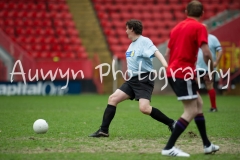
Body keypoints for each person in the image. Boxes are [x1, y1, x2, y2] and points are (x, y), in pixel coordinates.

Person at [89, 19, 176, 138]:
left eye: (126, 28)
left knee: (144, 108)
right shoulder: (132, 44)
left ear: (132, 29)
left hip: (144, 78)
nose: (125, 31)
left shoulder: (144, 41)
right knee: (113, 98)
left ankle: (172, 123)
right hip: (133, 80)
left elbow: (156, 52)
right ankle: (103, 130)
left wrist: (166, 66)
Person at [161, 1, 219, 157]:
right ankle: (169, 147)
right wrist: (210, 71)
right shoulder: (200, 27)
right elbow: (207, 53)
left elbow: (167, 54)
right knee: (191, 110)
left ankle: (207, 144)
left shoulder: (176, 28)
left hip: (173, 71)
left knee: (198, 104)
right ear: (202, 13)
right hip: (183, 73)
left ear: (186, 11)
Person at [196, 24, 223, 112]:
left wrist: (216, 62)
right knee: (196, 87)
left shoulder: (213, 38)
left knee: (209, 86)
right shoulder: (196, 38)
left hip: (209, 68)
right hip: (197, 67)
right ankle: (196, 108)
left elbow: (220, 50)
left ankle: (213, 107)